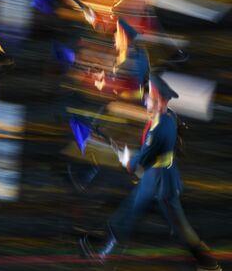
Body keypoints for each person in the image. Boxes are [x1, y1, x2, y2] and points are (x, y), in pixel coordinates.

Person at [79, 74, 221, 271]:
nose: (145, 100)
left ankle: (209, 264)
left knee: (179, 227)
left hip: (161, 183)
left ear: (160, 101)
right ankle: (106, 248)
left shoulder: (158, 128)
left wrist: (128, 160)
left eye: (149, 98)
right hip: (156, 177)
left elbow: (140, 160)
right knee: (130, 209)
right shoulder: (168, 116)